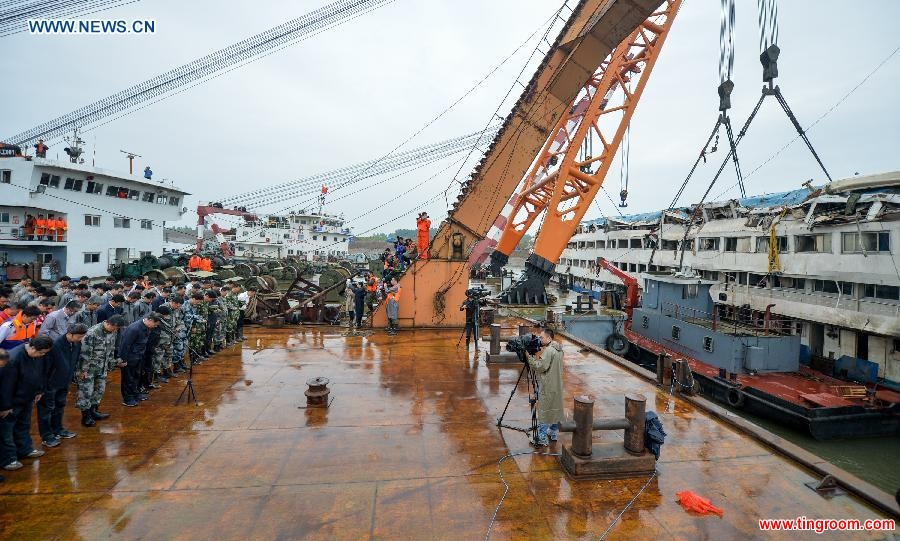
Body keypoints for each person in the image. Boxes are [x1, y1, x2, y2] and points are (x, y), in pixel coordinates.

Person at [0, 336, 55, 471]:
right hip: (12, 403)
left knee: (24, 426)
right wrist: (5, 406)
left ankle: (25, 449)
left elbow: (41, 374)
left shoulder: (38, 355)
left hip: (28, 398)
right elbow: (5, 385)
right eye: (40, 353)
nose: (42, 356)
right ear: (32, 347)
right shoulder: (13, 359)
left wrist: (39, 390)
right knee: (6, 431)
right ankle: (8, 459)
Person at [37, 323, 87, 448]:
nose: (81, 339)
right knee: (46, 410)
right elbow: (45, 368)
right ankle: (47, 436)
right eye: (79, 336)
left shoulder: (76, 343)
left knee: (60, 406)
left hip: (64, 382)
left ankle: (58, 429)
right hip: (50, 384)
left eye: (82, 337)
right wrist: (42, 387)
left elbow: (74, 360)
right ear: (69, 334)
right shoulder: (54, 345)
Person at [76, 316, 124, 426]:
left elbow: (111, 349)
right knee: (86, 392)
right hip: (88, 369)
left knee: (99, 391)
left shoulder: (112, 332)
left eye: (117, 328)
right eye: (114, 327)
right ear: (108, 323)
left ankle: (93, 412)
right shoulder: (92, 333)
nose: (115, 330)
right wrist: (83, 370)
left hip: (102, 367)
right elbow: (85, 353)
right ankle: (86, 417)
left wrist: (111, 363)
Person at [526, 328, 565, 447]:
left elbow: (540, 367)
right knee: (555, 407)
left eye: (542, 337)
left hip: (548, 385)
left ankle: (542, 437)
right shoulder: (559, 349)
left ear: (549, 338)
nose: (540, 339)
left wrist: (529, 358)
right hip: (557, 384)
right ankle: (553, 432)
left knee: (545, 409)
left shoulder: (549, 351)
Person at [119, 314, 160, 407]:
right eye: (155, 324)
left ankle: (135, 393)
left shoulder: (147, 327)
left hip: (139, 356)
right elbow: (125, 345)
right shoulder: (134, 328)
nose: (155, 326)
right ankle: (127, 398)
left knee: (136, 376)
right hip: (130, 358)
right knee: (128, 378)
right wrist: (123, 359)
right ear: (150, 320)